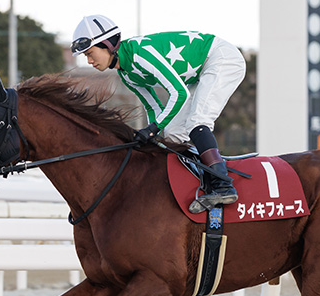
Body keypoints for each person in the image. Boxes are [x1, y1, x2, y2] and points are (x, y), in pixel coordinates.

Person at [70, 14, 246, 214]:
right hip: (201, 71)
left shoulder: (140, 54)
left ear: (107, 45)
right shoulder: (126, 74)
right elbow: (153, 107)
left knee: (198, 122)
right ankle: (200, 181)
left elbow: (179, 93)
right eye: (86, 56)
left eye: (90, 53)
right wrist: (153, 132)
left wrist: (152, 129)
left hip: (221, 58)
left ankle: (223, 185)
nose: (89, 60)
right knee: (172, 133)